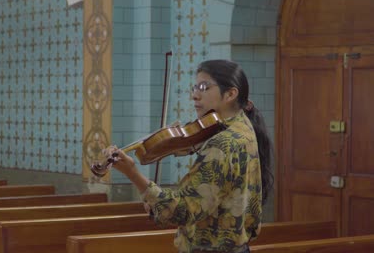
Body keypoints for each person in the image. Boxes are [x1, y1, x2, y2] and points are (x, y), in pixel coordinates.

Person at [103, 59, 274, 253]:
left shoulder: (222, 144)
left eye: (204, 87)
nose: (195, 95)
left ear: (230, 94)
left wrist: (133, 173)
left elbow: (182, 210)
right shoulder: (244, 127)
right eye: (194, 88)